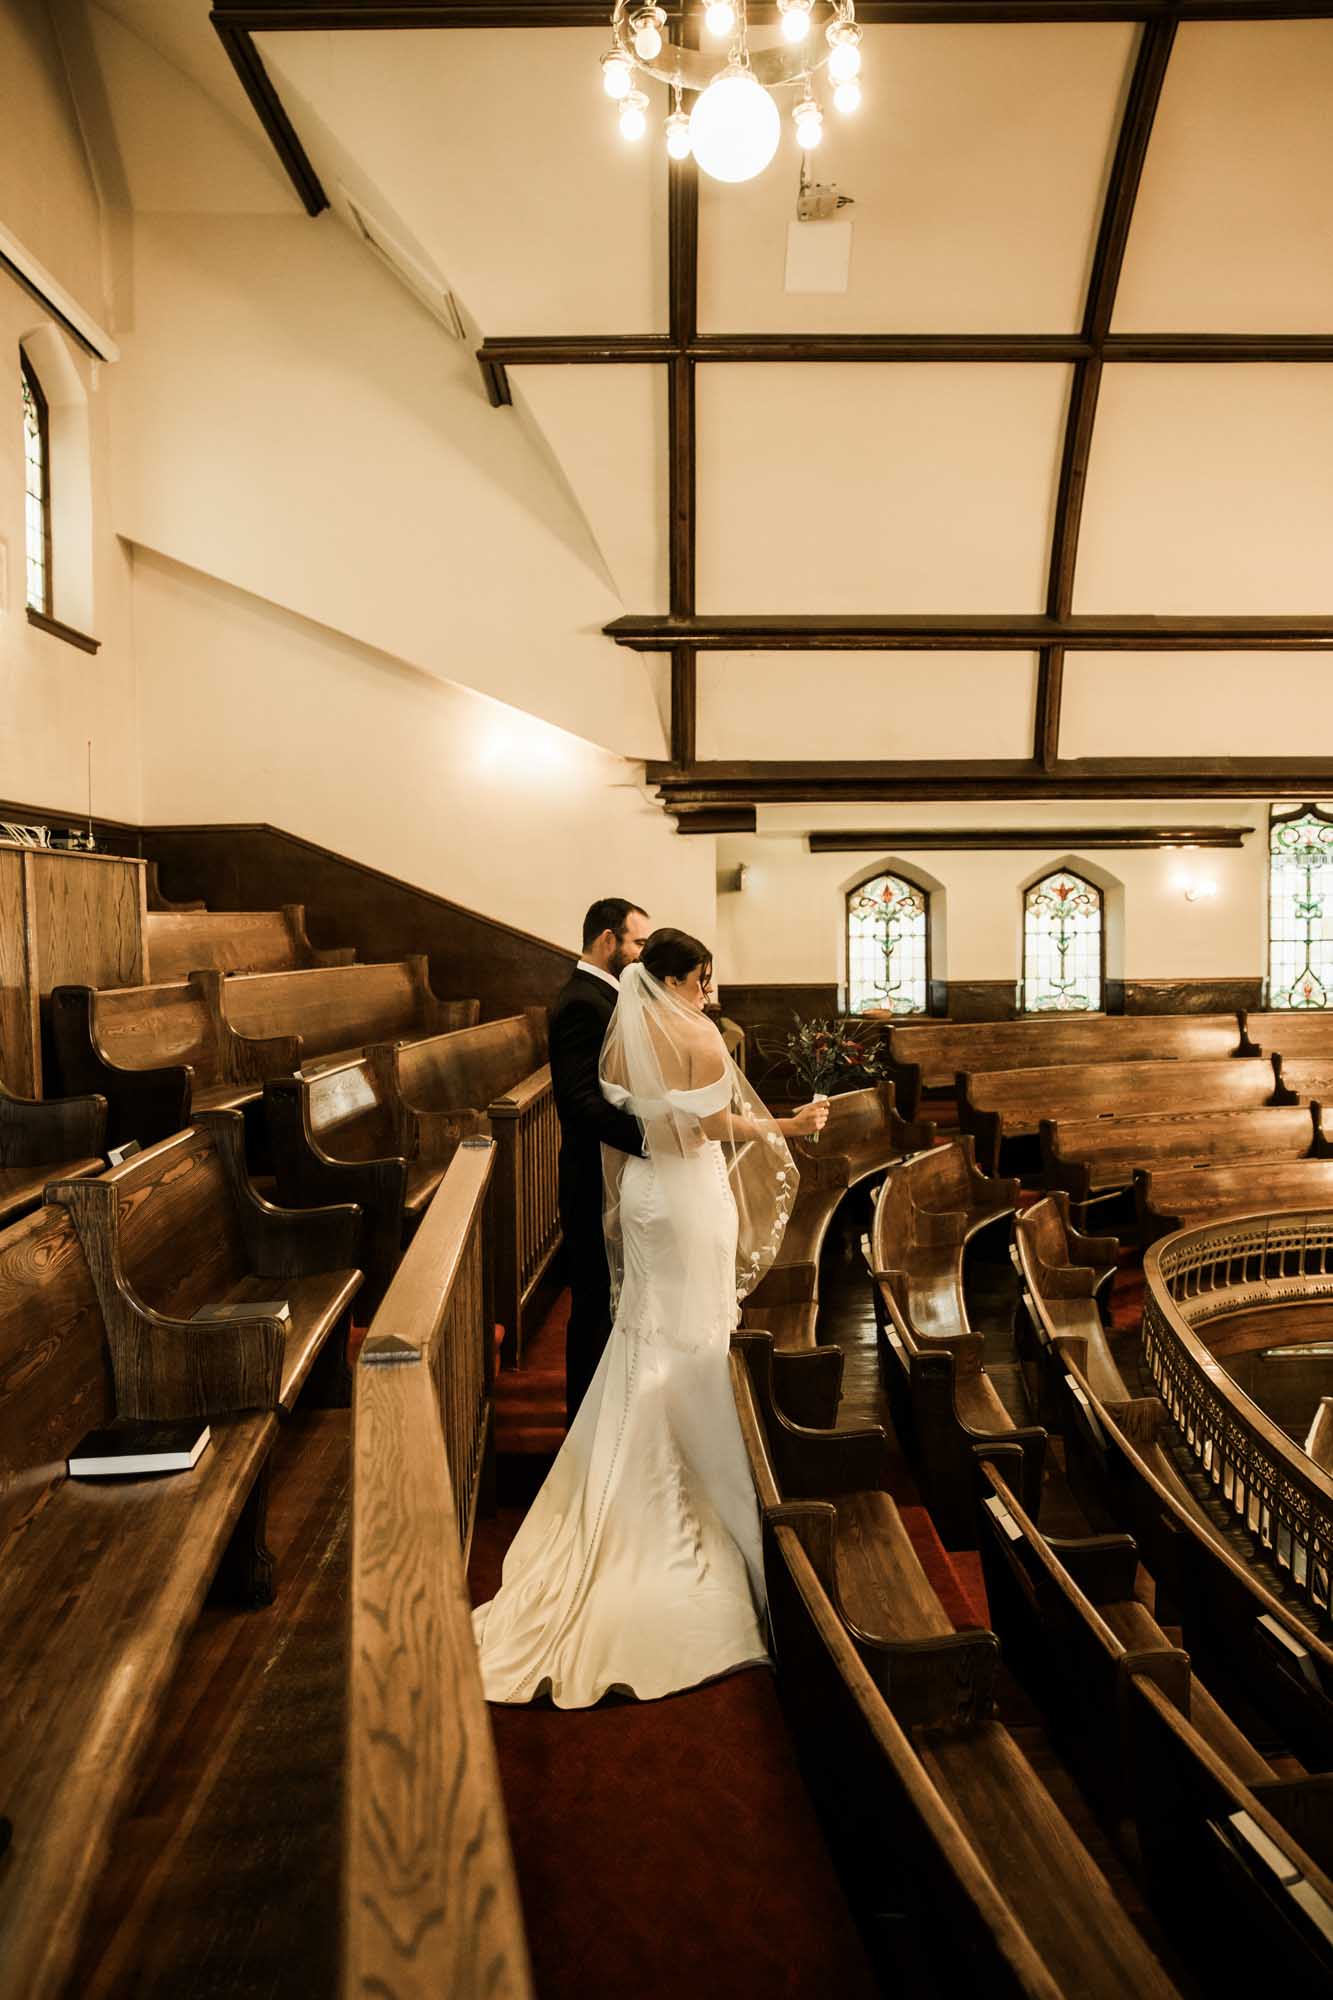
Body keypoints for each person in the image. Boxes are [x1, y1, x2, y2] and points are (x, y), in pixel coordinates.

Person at [473, 927, 829, 1708]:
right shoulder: (699, 1036)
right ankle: (692, 1478)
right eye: (702, 977)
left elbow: (640, 1119)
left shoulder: (618, 1038)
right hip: (688, 1196)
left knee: (645, 1330)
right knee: (692, 1334)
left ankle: (616, 1478)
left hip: (642, 1194)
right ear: (675, 980)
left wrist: (767, 1126)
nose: (709, 991)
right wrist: (787, 1127)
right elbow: (708, 1128)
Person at [548, 896, 653, 1422]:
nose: (641, 954)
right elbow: (581, 1103)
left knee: (612, 1298)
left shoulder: (608, 996)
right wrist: (652, 1140)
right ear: (607, 941)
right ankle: (582, 1423)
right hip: (592, 1176)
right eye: (636, 943)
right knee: (592, 1301)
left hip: (615, 1172)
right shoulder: (581, 1003)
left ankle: (606, 1415)